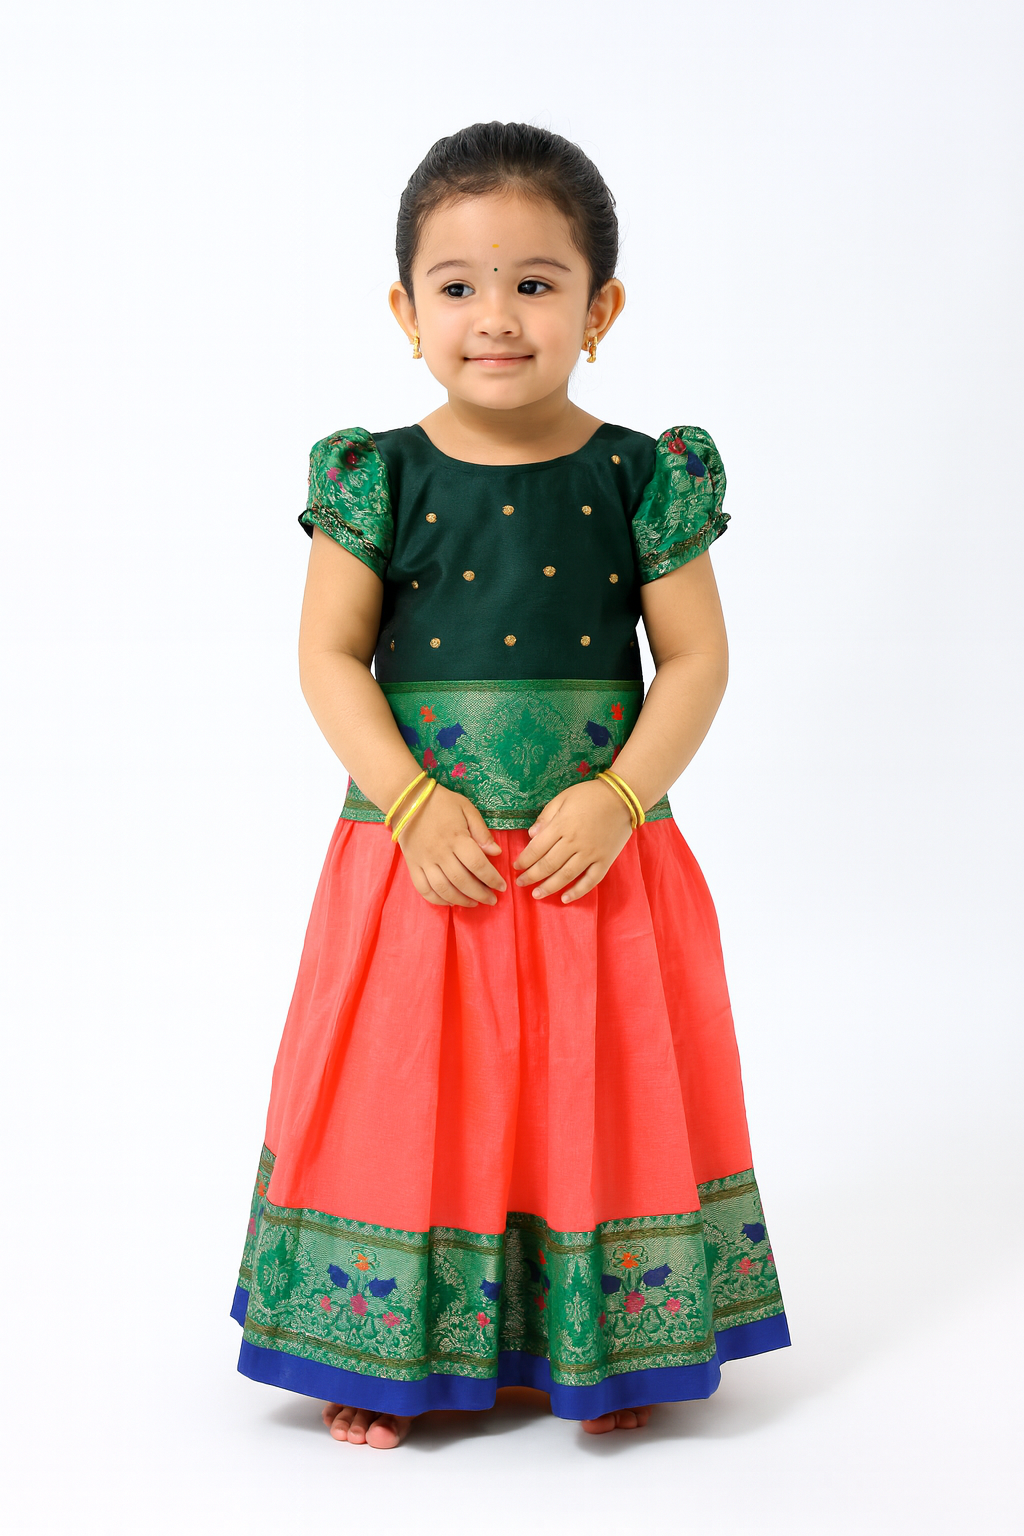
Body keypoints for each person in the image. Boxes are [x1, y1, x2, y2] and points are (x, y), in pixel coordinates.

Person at [230, 120, 791, 1449]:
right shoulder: (375, 475)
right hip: (423, 859)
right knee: (411, 1086)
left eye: (536, 283)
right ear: (405, 310)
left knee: (594, 1080)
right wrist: (412, 804)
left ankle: (601, 1340)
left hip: (596, 858)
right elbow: (326, 656)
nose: (496, 315)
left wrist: (621, 796)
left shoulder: (642, 476)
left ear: (600, 309)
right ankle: (390, 1353)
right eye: (458, 285)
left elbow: (698, 659)